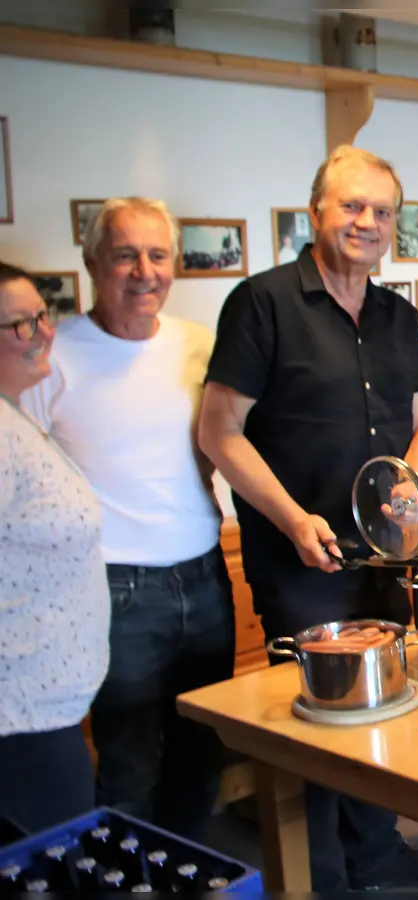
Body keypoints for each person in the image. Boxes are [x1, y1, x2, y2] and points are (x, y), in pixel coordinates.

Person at [198, 146, 418, 891]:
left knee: (382, 710)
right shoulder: (263, 302)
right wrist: (291, 520)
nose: (367, 222)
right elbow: (218, 431)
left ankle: (379, 858)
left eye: (382, 212)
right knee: (319, 730)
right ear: (316, 212)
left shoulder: (398, 314)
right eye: (352, 206)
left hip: (384, 557)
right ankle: (324, 880)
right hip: (300, 559)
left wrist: (417, 479)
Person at [21, 198, 233, 841]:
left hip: (204, 573)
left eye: (158, 254)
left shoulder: (199, 344)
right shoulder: (54, 355)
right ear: (91, 262)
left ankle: (188, 874)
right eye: (124, 254)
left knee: (202, 755)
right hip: (113, 590)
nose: (144, 270)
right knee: (129, 765)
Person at [0, 264, 110, 833]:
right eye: (20, 324)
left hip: (46, 710)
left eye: (42, 316)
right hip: (18, 719)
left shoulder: (15, 415)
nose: (45, 333)